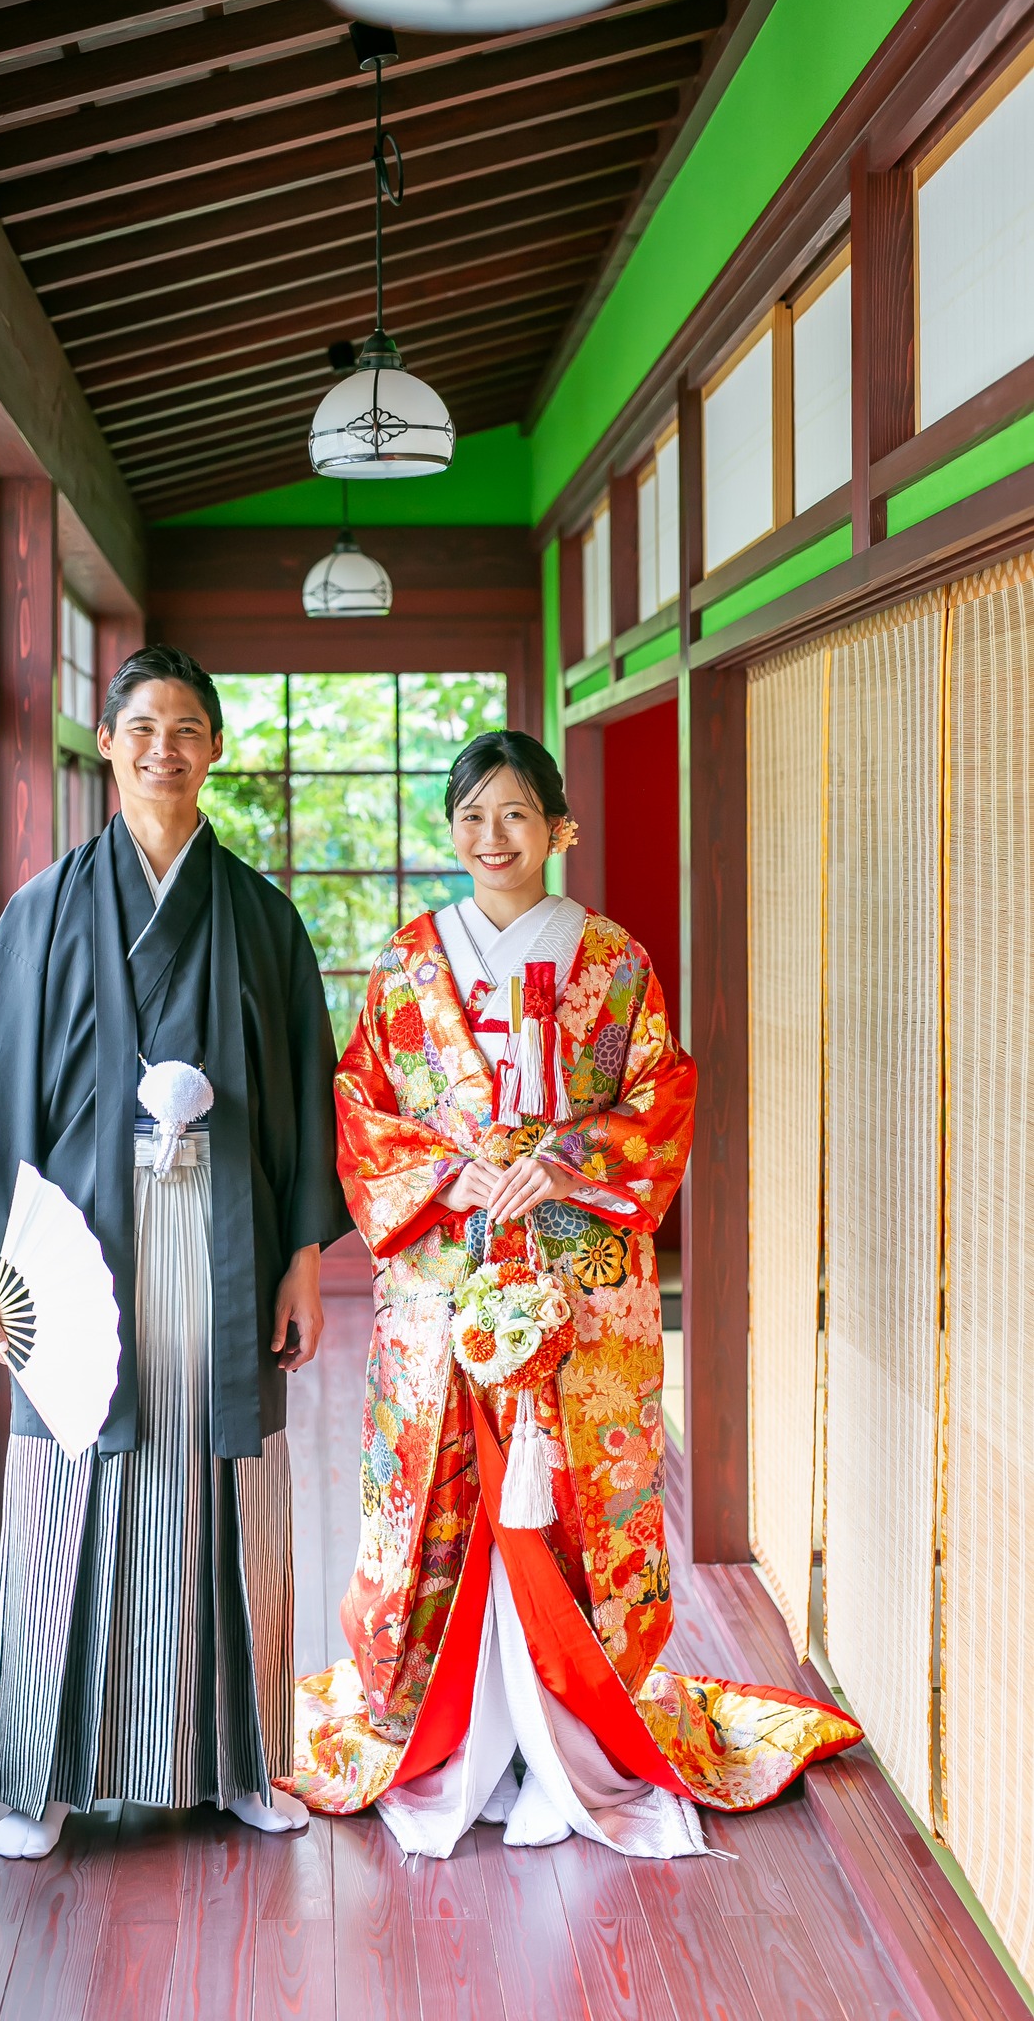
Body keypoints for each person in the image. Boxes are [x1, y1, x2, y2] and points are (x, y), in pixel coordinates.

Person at [279, 730, 860, 1857]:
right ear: (451, 830)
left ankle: (576, 1741)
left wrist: (567, 1158)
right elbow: (361, 1102)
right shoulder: (407, 964)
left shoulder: (612, 959)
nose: (491, 837)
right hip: (444, 1272)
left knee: (578, 1502)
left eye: (514, 814)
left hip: (576, 1276)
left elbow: (661, 1092)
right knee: (437, 1496)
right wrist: (448, 1170)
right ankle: (452, 1736)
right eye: (471, 816)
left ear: (558, 826)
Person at [0, 645, 349, 1858]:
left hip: (225, 1241)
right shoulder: (45, 910)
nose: (166, 747)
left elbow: (306, 1098)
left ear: (216, 749)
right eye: (143, 726)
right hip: (73, 1250)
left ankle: (244, 1760)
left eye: (188, 727)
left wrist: (303, 1261)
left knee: (227, 1491)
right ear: (106, 742)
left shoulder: (260, 915)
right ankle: (47, 1779)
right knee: (71, 1491)